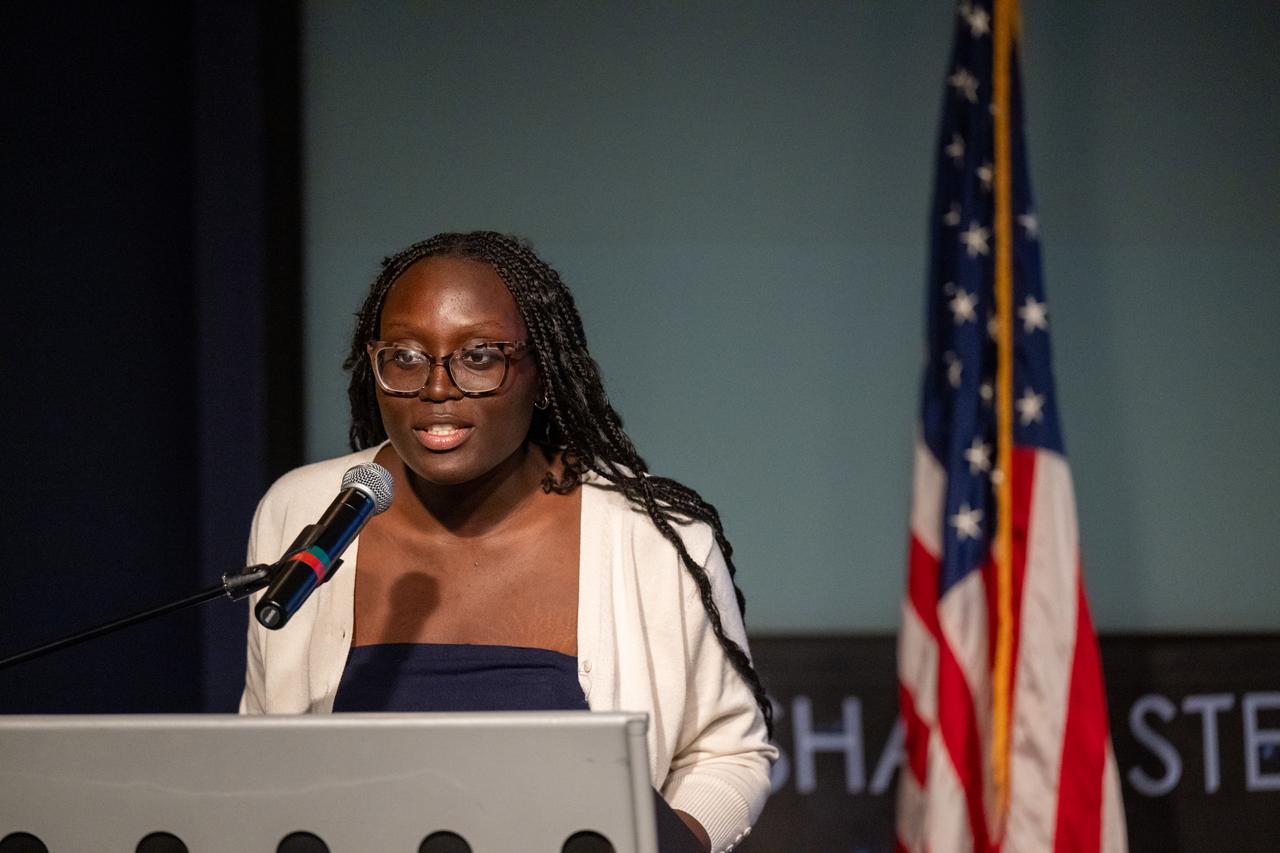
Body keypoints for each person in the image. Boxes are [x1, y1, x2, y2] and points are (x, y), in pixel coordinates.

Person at [240, 231, 776, 852]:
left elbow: (727, 752)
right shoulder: (302, 511)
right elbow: (264, 748)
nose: (437, 390)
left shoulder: (653, 533)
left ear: (542, 373)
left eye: (479, 356)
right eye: (406, 356)